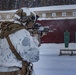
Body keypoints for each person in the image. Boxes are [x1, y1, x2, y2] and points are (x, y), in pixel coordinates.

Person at [0, 7, 39, 75]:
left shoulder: (3, 30)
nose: (32, 25)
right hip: (16, 72)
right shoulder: (23, 33)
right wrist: (35, 38)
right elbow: (34, 56)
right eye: (31, 22)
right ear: (26, 21)